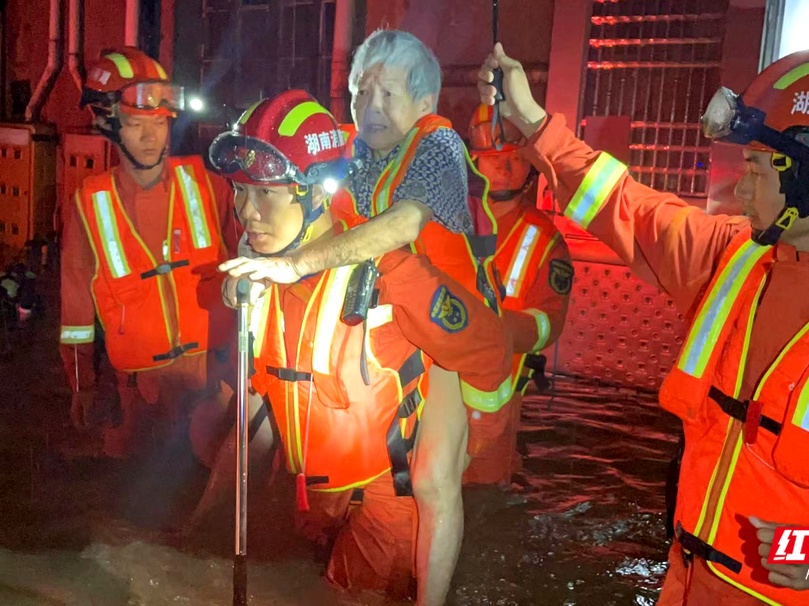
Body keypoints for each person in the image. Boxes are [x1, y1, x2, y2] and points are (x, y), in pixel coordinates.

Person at [478, 43, 809, 605]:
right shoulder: (733, 257)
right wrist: (532, 122)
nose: (740, 189)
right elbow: (623, 205)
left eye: (757, 170)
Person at [218, 30, 511, 604]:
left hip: (448, 322)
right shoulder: (357, 147)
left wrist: (290, 264)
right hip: (392, 302)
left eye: (387, 95)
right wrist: (254, 254)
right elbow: (298, 188)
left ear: (423, 103)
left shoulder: (438, 145)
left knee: (432, 478)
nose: (370, 107)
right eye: (360, 93)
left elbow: (402, 226)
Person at [61, 47, 238, 461]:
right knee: (128, 486)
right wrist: (82, 384)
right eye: (136, 124)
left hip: (210, 385)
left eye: (159, 123)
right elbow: (76, 308)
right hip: (137, 397)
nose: (150, 136)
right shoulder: (91, 204)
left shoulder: (209, 186)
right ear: (109, 124)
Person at [461, 104, 572, 485]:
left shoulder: (546, 240)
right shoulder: (445, 220)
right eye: (494, 158)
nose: (506, 167)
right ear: (473, 159)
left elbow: (549, 324)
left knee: (482, 498)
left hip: (495, 402)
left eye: (516, 158)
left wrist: (492, 329)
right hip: (427, 393)